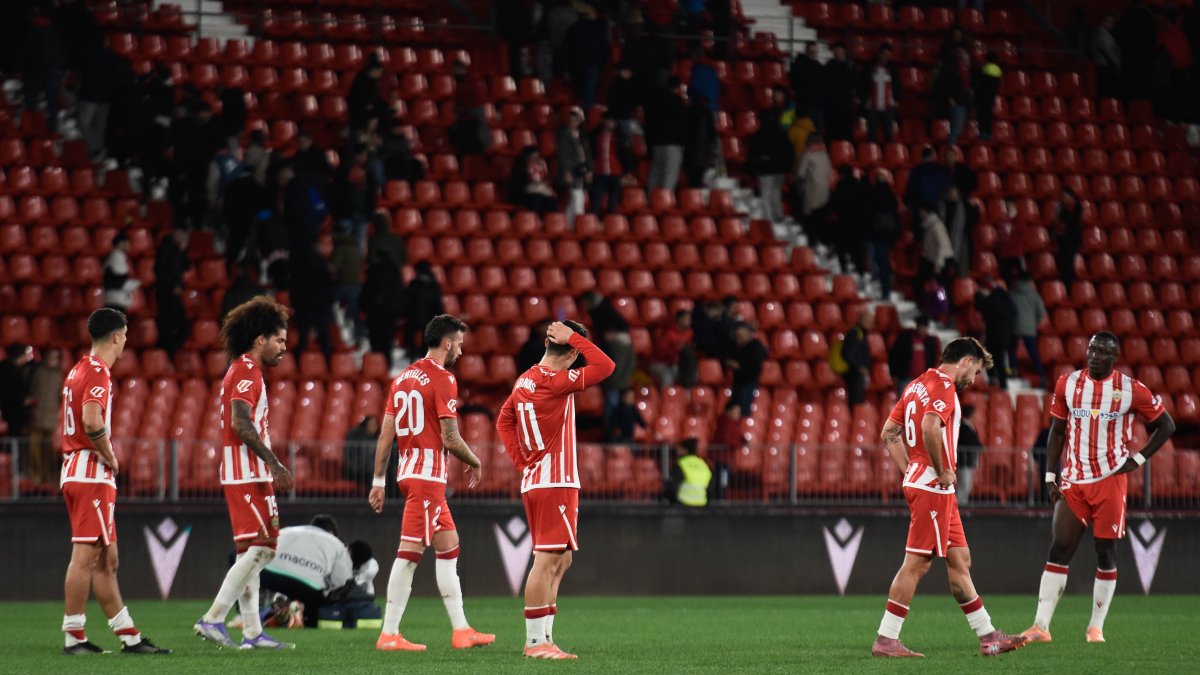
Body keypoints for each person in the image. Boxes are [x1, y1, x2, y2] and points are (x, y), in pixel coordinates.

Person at [872, 337, 1026, 658]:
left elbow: (889, 432)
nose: (975, 379)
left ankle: (989, 637)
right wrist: (939, 471)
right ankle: (886, 639)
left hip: (927, 484)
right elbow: (930, 427)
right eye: (978, 371)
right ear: (967, 362)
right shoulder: (944, 385)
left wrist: (910, 470)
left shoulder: (915, 385)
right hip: (934, 487)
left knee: (960, 559)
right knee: (916, 563)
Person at [1021, 332, 1176, 645]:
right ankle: (1040, 627)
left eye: (1102, 352)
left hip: (1110, 481)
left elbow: (1167, 425)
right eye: (1091, 350)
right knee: (1059, 547)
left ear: (1114, 357)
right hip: (1074, 480)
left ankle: (1095, 628)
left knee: (1105, 551)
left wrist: (1139, 459)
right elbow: (1057, 431)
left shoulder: (1130, 390)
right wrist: (1051, 477)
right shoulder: (1068, 383)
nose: (1094, 356)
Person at [369, 315, 493, 652]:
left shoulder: (402, 378)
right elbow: (450, 438)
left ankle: (461, 630)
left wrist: (379, 480)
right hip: (426, 478)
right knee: (409, 555)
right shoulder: (443, 378)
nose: (462, 351)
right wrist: (475, 460)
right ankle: (389, 634)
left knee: (449, 545)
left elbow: (385, 435)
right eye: (460, 344)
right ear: (448, 342)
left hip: (413, 474)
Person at [496, 320, 615, 659]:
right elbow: (606, 366)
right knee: (547, 559)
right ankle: (535, 643)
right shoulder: (557, 382)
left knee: (562, 559)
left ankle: (546, 637)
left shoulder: (525, 379)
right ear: (574, 351)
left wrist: (522, 462)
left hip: (540, 480)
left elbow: (504, 419)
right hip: (554, 482)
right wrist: (575, 337)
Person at [59, 309, 170, 655]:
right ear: (118, 337)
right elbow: (92, 421)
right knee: (85, 558)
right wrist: (109, 454)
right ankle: (74, 636)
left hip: (82, 471)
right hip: (90, 471)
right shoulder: (97, 373)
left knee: (108, 559)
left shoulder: (79, 367)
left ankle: (129, 636)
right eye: (125, 336)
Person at [195, 297, 296, 650]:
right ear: (260, 339)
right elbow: (240, 422)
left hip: (247, 472)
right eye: (280, 340)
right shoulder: (245, 371)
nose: (284, 347)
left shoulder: (246, 370)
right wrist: (273, 461)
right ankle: (212, 617)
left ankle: (252, 632)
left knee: (251, 553)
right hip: (246, 474)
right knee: (264, 547)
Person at [260, 516, 353, 629]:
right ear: (331, 532)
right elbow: (342, 582)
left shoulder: (286, 531)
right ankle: (300, 614)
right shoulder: (337, 544)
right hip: (308, 585)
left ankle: (258, 613)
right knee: (316, 610)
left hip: (270, 574)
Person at [748, 106, 793, 223]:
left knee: (766, 196)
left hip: (765, 170)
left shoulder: (759, 134)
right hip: (780, 169)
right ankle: (778, 216)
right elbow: (789, 151)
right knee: (776, 194)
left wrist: (754, 168)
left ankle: (769, 221)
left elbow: (752, 154)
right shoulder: (782, 132)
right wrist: (787, 167)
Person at [27, 348, 63, 484]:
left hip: (51, 418)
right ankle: (35, 476)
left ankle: (48, 477)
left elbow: (60, 394)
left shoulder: (59, 374)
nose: (52, 361)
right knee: (34, 450)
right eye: (50, 357)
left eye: (55, 358)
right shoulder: (38, 372)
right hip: (36, 416)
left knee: (48, 451)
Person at [645, 77, 687, 191]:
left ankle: (650, 199)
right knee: (669, 174)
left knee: (655, 173)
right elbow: (683, 124)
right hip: (673, 144)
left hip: (657, 143)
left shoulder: (656, 101)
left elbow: (649, 122)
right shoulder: (678, 101)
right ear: (677, 87)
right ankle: (664, 201)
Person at [974, 277, 1017, 389]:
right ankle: (1001, 382)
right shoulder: (1005, 297)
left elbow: (980, 306)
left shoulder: (992, 300)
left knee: (994, 358)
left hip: (995, 334)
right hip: (1005, 334)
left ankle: (996, 380)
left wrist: (978, 295)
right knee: (997, 358)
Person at [154, 228, 191, 357]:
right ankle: (165, 355)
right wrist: (173, 286)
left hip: (174, 294)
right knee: (169, 326)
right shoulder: (165, 249)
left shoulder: (176, 250)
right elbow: (160, 272)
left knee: (181, 328)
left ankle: (168, 353)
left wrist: (182, 250)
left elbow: (186, 266)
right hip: (167, 294)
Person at [1009, 273, 1048, 388]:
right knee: (1033, 352)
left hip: (1014, 327)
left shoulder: (1012, 294)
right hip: (1029, 328)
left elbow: (1008, 311)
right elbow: (1041, 313)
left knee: (1012, 350)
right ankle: (1041, 374)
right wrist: (1033, 323)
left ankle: (1013, 370)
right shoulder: (1035, 295)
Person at [590, 112, 632, 215]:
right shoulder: (595, 136)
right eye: (610, 121)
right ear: (604, 121)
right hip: (600, 172)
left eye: (613, 122)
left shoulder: (620, 137)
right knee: (596, 201)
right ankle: (595, 224)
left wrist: (628, 171)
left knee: (613, 203)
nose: (612, 124)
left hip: (615, 173)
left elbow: (626, 155)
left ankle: (610, 224)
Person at [555, 107, 592, 227]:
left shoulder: (582, 135)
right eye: (572, 118)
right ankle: (577, 223)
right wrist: (566, 171)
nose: (573, 120)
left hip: (580, 170)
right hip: (571, 170)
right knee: (576, 197)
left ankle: (569, 224)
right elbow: (563, 154)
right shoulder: (564, 135)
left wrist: (589, 170)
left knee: (576, 198)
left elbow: (587, 155)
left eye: (576, 118)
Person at [403, 261, 445, 362]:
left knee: (412, 336)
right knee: (426, 341)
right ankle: (422, 358)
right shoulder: (434, 285)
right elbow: (437, 303)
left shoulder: (414, 284)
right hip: (429, 317)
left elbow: (407, 301)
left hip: (414, 316)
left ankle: (412, 355)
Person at [888, 316, 941, 395]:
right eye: (920, 327)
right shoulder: (905, 339)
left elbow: (934, 359)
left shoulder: (930, 342)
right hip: (906, 378)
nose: (922, 329)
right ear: (917, 326)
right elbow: (894, 357)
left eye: (924, 327)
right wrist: (894, 374)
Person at [861, 43, 900, 143]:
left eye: (888, 56)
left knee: (889, 135)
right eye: (884, 55)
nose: (886, 58)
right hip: (872, 107)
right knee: (872, 135)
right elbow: (864, 84)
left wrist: (896, 99)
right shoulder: (870, 67)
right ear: (879, 54)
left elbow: (897, 85)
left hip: (888, 107)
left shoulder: (893, 69)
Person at [726, 323, 768, 414]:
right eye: (737, 336)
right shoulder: (735, 347)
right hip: (738, 382)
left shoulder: (755, 347)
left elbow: (755, 368)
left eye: (741, 335)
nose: (739, 338)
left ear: (748, 334)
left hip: (748, 383)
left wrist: (739, 367)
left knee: (742, 409)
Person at [708, 403, 745, 501]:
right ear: (729, 411)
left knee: (722, 480)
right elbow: (727, 439)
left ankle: (720, 499)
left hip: (724, 458)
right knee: (722, 481)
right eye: (736, 411)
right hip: (722, 458)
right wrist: (740, 443)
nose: (738, 414)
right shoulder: (727, 423)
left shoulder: (728, 423)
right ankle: (720, 500)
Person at [647, 311, 694, 387]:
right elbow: (660, 351)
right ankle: (665, 398)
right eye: (687, 319)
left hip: (675, 363)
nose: (689, 321)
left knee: (685, 376)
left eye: (690, 319)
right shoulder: (668, 332)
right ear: (680, 319)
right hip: (659, 363)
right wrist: (677, 349)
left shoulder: (689, 333)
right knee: (667, 378)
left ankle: (684, 398)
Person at [823, 42, 858, 142]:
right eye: (836, 49)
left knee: (845, 131)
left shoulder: (850, 66)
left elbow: (856, 84)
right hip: (831, 105)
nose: (837, 52)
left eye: (840, 49)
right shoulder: (829, 66)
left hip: (846, 105)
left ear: (844, 51)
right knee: (831, 132)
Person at [507, 146, 557, 214]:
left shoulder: (539, 168)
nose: (536, 160)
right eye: (534, 158)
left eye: (537, 158)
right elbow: (519, 186)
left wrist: (545, 169)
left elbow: (547, 180)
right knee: (537, 199)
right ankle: (532, 220)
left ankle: (549, 221)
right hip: (522, 195)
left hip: (537, 193)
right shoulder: (519, 169)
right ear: (527, 158)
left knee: (551, 200)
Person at [841, 309, 874, 408]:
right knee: (855, 399)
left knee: (859, 399)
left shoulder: (863, 334)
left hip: (860, 373)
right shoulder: (855, 333)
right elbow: (847, 353)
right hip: (854, 374)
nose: (871, 324)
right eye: (868, 321)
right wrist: (859, 366)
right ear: (861, 320)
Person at [0, 343, 34, 438]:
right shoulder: (12, 371)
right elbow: (12, 391)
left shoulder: (6, 368)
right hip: (15, 410)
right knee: (16, 436)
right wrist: (24, 400)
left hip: (10, 408)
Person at [666, 438, 711, 507]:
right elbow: (711, 486)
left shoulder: (682, 464)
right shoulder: (703, 464)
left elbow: (674, 486)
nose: (677, 451)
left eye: (679, 449)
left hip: (683, 503)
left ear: (685, 450)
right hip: (701, 503)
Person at [1052, 189, 1083, 287]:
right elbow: (1056, 220)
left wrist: (1064, 213)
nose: (1063, 199)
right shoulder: (1060, 207)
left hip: (1072, 239)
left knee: (1069, 262)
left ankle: (1070, 284)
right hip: (1062, 239)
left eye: (1065, 196)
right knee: (1063, 262)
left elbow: (1073, 222)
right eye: (1062, 196)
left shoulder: (1076, 207)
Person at [995, 198, 1028, 286]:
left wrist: (1017, 249)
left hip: (1016, 254)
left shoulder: (1020, 219)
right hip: (1005, 254)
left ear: (1015, 205)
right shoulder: (1002, 219)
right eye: (1007, 205)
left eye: (1010, 204)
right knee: (1006, 278)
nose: (1008, 207)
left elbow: (1023, 236)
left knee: (1022, 278)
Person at [957, 405, 983, 506]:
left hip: (968, 460)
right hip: (964, 460)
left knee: (967, 485)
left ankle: (963, 504)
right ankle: (958, 506)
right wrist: (978, 446)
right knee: (964, 485)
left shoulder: (970, 426)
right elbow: (968, 442)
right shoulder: (964, 427)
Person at [1092, 15, 1122, 100]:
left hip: (1104, 66)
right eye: (1109, 22)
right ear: (1103, 22)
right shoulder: (1103, 34)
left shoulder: (1101, 33)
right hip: (1106, 66)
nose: (1112, 24)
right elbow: (1109, 51)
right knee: (1106, 92)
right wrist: (1117, 64)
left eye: (1113, 22)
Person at [343, 415, 380, 483]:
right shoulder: (356, 437)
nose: (374, 427)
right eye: (371, 424)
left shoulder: (376, 438)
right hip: (356, 470)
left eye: (375, 424)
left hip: (368, 469)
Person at [973, 51, 1001, 140]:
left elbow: (980, 82)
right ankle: (988, 133)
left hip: (983, 96)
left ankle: (983, 133)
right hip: (991, 96)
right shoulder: (998, 69)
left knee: (982, 115)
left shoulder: (985, 68)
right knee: (988, 115)